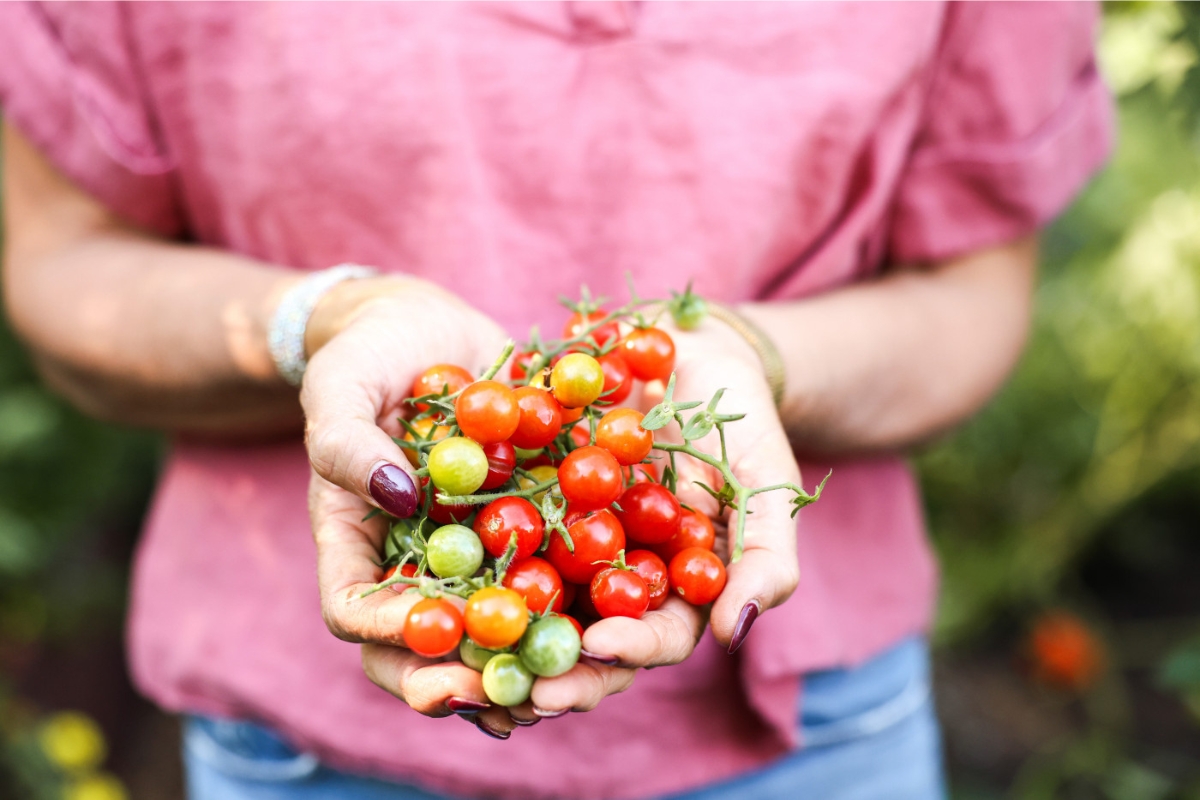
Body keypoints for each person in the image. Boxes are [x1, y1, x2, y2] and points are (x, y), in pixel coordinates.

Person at [0, 2, 1112, 798]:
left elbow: (970, 292)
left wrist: (745, 354)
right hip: (304, 740)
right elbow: (68, 270)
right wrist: (330, 319)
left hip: (814, 730)